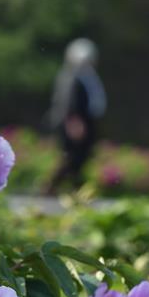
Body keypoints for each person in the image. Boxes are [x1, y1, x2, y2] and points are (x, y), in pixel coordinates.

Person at [46, 38, 107, 193]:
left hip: (86, 121)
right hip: (75, 123)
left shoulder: (87, 75)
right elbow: (68, 102)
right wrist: (74, 121)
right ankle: (52, 187)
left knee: (81, 156)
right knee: (71, 156)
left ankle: (75, 188)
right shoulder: (71, 76)